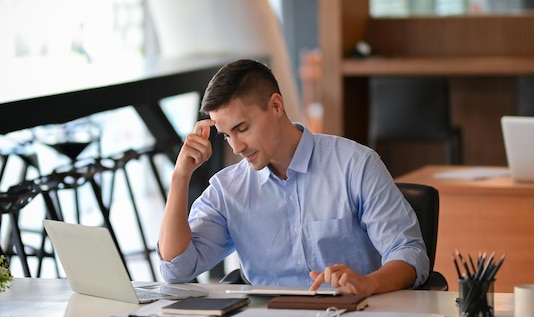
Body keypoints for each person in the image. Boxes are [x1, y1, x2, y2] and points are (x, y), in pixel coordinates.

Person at [157, 59, 429, 296]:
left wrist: (368, 283)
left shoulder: (355, 166)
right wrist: (180, 176)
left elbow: (409, 253)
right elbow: (176, 269)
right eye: (227, 135)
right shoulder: (228, 190)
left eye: (242, 128)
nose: (236, 147)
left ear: (275, 106)